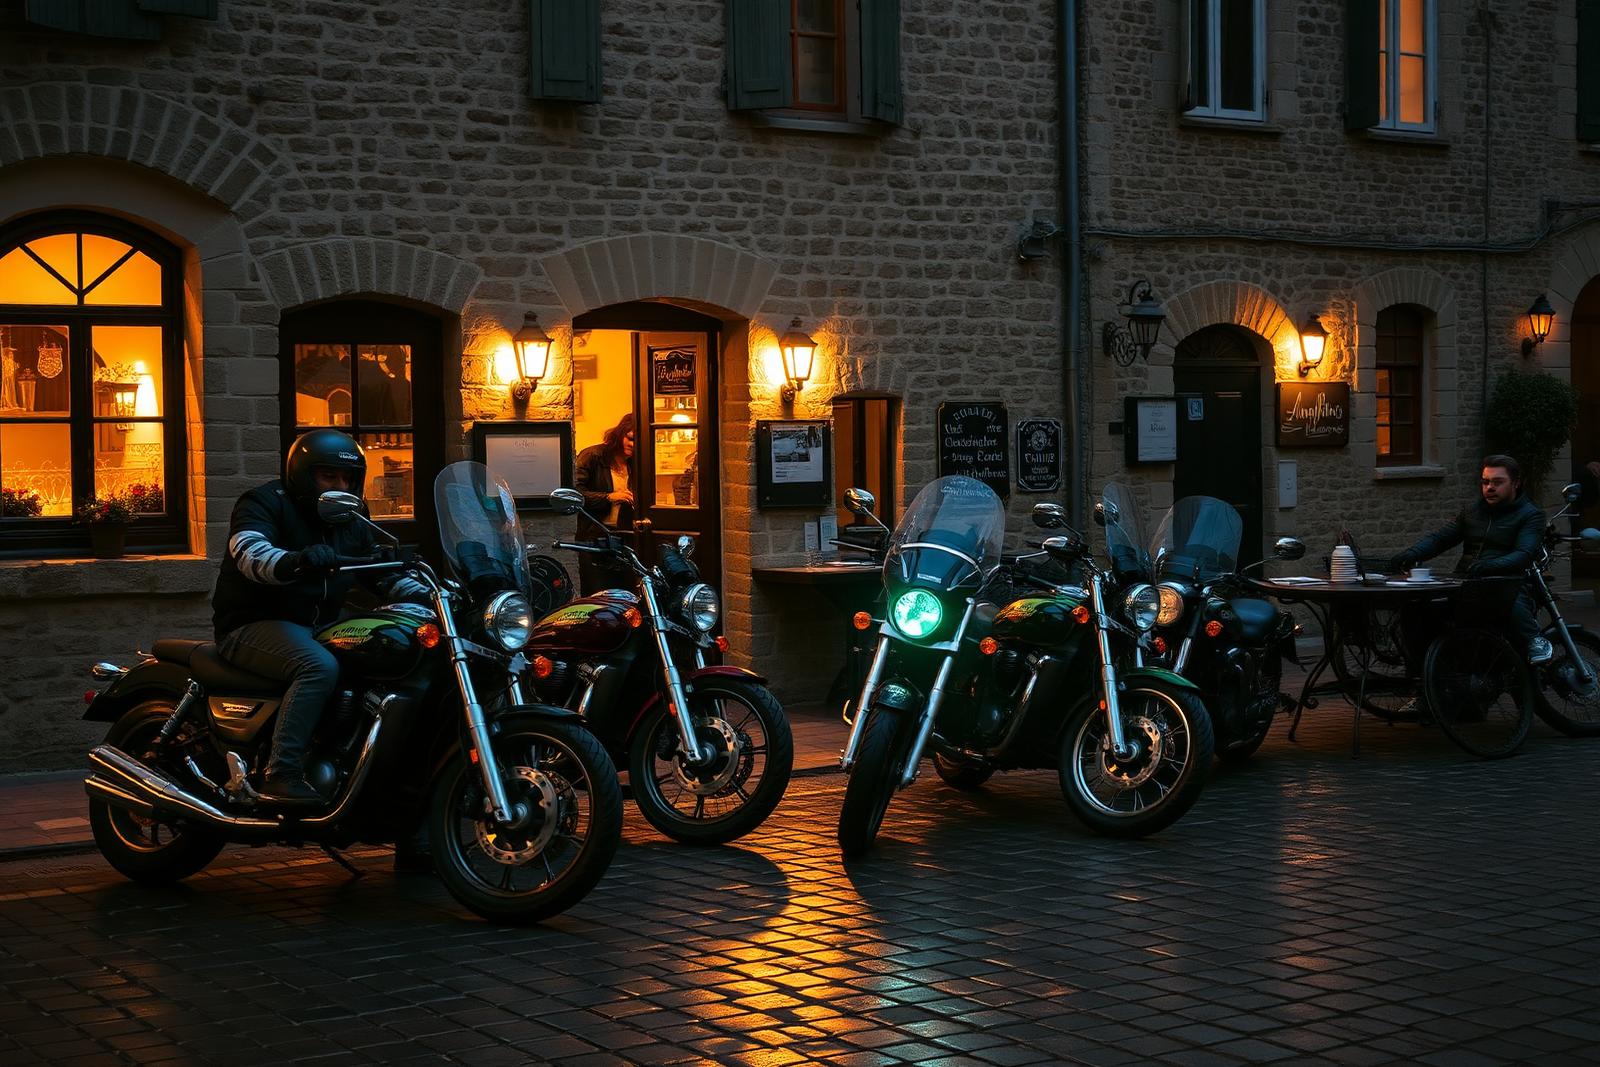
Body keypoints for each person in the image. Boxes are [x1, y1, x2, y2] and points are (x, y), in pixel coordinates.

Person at [212, 429, 427, 806]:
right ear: (302, 475)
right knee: (318, 666)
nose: (340, 485)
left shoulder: (352, 516)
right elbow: (250, 554)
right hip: (253, 623)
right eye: (329, 476)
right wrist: (296, 560)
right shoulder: (264, 502)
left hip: (317, 624)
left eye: (348, 478)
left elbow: (380, 570)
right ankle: (281, 772)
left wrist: (431, 591)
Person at [1387, 454, 1551, 663]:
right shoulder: (1473, 512)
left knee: (1511, 600)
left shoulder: (1530, 515)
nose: (1490, 488)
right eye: (1485, 482)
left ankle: (1534, 643)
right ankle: (1424, 673)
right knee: (1416, 608)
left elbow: (1524, 554)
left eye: (1498, 482)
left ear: (1516, 483)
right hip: (1466, 582)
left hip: (1507, 582)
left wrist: (1490, 566)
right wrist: (1410, 554)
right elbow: (1440, 539)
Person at [573, 413, 636, 594]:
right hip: (594, 538)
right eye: (630, 438)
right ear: (619, 433)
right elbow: (576, 493)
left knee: (624, 594)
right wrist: (609, 497)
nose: (633, 445)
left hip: (625, 538)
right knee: (597, 593)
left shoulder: (636, 462)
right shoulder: (593, 456)